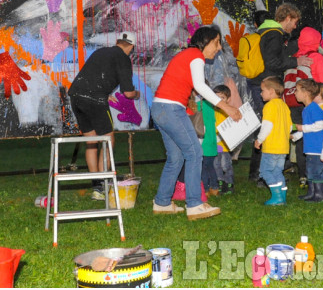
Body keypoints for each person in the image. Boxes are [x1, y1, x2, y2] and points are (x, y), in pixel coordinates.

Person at [152, 26, 241, 220]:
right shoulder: (195, 55)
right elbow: (200, 86)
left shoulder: (186, 55)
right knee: (194, 153)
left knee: (175, 158)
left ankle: (162, 202)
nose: (218, 48)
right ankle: (194, 204)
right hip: (171, 108)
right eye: (217, 43)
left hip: (160, 109)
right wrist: (226, 107)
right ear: (206, 41)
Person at [68, 32, 140, 199]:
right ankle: (103, 184)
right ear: (131, 47)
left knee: (92, 141)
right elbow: (128, 93)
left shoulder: (100, 52)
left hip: (76, 96)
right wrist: (136, 94)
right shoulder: (123, 58)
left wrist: (105, 92)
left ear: (117, 42)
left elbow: (90, 77)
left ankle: (96, 186)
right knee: (108, 140)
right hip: (95, 100)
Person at [246, 2, 308, 184]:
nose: (295, 26)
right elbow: (273, 62)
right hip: (266, 86)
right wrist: (296, 63)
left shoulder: (266, 31)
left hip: (261, 84)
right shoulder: (274, 34)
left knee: (265, 126)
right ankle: (262, 175)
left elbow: (276, 56)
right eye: (295, 22)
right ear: (287, 18)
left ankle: (259, 173)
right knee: (269, 127)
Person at [254, 76, 293, 206]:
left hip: (271, 147)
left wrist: (259, 140)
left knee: (266, 171)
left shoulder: (269, 106)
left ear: (271, 91)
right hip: (283, 147)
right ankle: (283, 196)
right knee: (277, 171)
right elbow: (290, 127)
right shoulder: (284, 106)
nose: (261, 93)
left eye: (262, 90)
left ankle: (277, 197)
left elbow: (267, 125)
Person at [292, 79, 323, 202]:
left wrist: (302, 128)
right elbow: (307, 128)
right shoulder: (306, 109)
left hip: (317, 148)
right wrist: (296, 136)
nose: (294, 93)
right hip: (310, 148)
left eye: (296, 90)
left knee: (316, 172)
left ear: (306, 93)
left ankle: (320, 195)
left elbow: (320, 125)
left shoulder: (314, 108)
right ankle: (312, 192)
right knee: (310, 171)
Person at [213, 85, 235, 194]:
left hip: (225, 145)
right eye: (216, 98)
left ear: (228, 99)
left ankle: (229, 183)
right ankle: (220, 183)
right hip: (215, 145)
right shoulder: (212, 111)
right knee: (216, 165)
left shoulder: (229, 112)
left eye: (222, 98)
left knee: (225, 165)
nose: (219, 101)